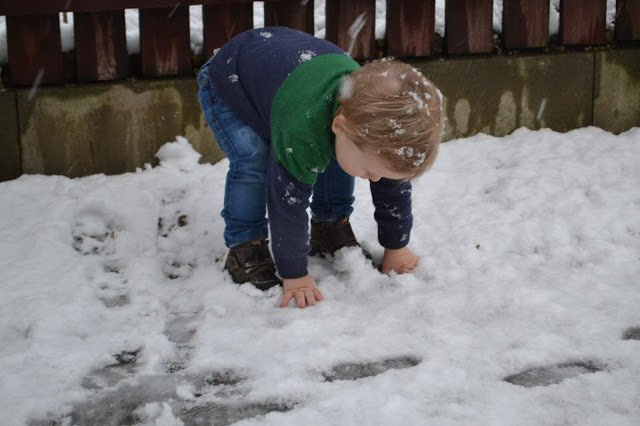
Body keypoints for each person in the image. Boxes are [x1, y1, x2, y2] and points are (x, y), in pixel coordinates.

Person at [197, 27, 443, 309]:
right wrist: (295, 274)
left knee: (340, 155)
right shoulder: (301, 131)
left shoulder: (375, 131)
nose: (374, 178)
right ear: (340, 125)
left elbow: (392, 189)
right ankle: (245, 247)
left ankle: (329, 227)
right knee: (255, 157)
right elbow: (288, 202)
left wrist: (396, 246)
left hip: (287, 80)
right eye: (370, 171)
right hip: (232, 80)